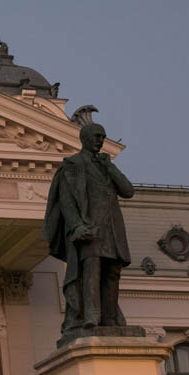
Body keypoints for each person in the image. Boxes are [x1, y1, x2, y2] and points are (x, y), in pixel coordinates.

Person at [43, 115, 135, 337]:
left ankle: (110, 318)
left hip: (112, 229)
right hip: (89, 229)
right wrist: (76, 226)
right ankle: (91, 316)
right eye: (96, 136)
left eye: (103, 137)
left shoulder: (106, 166)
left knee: (112, 272)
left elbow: (128, 191)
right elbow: (66, 200)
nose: (100, 141)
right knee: (91, 271)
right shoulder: (72, 165)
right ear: (84, 138)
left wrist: (110, 168)